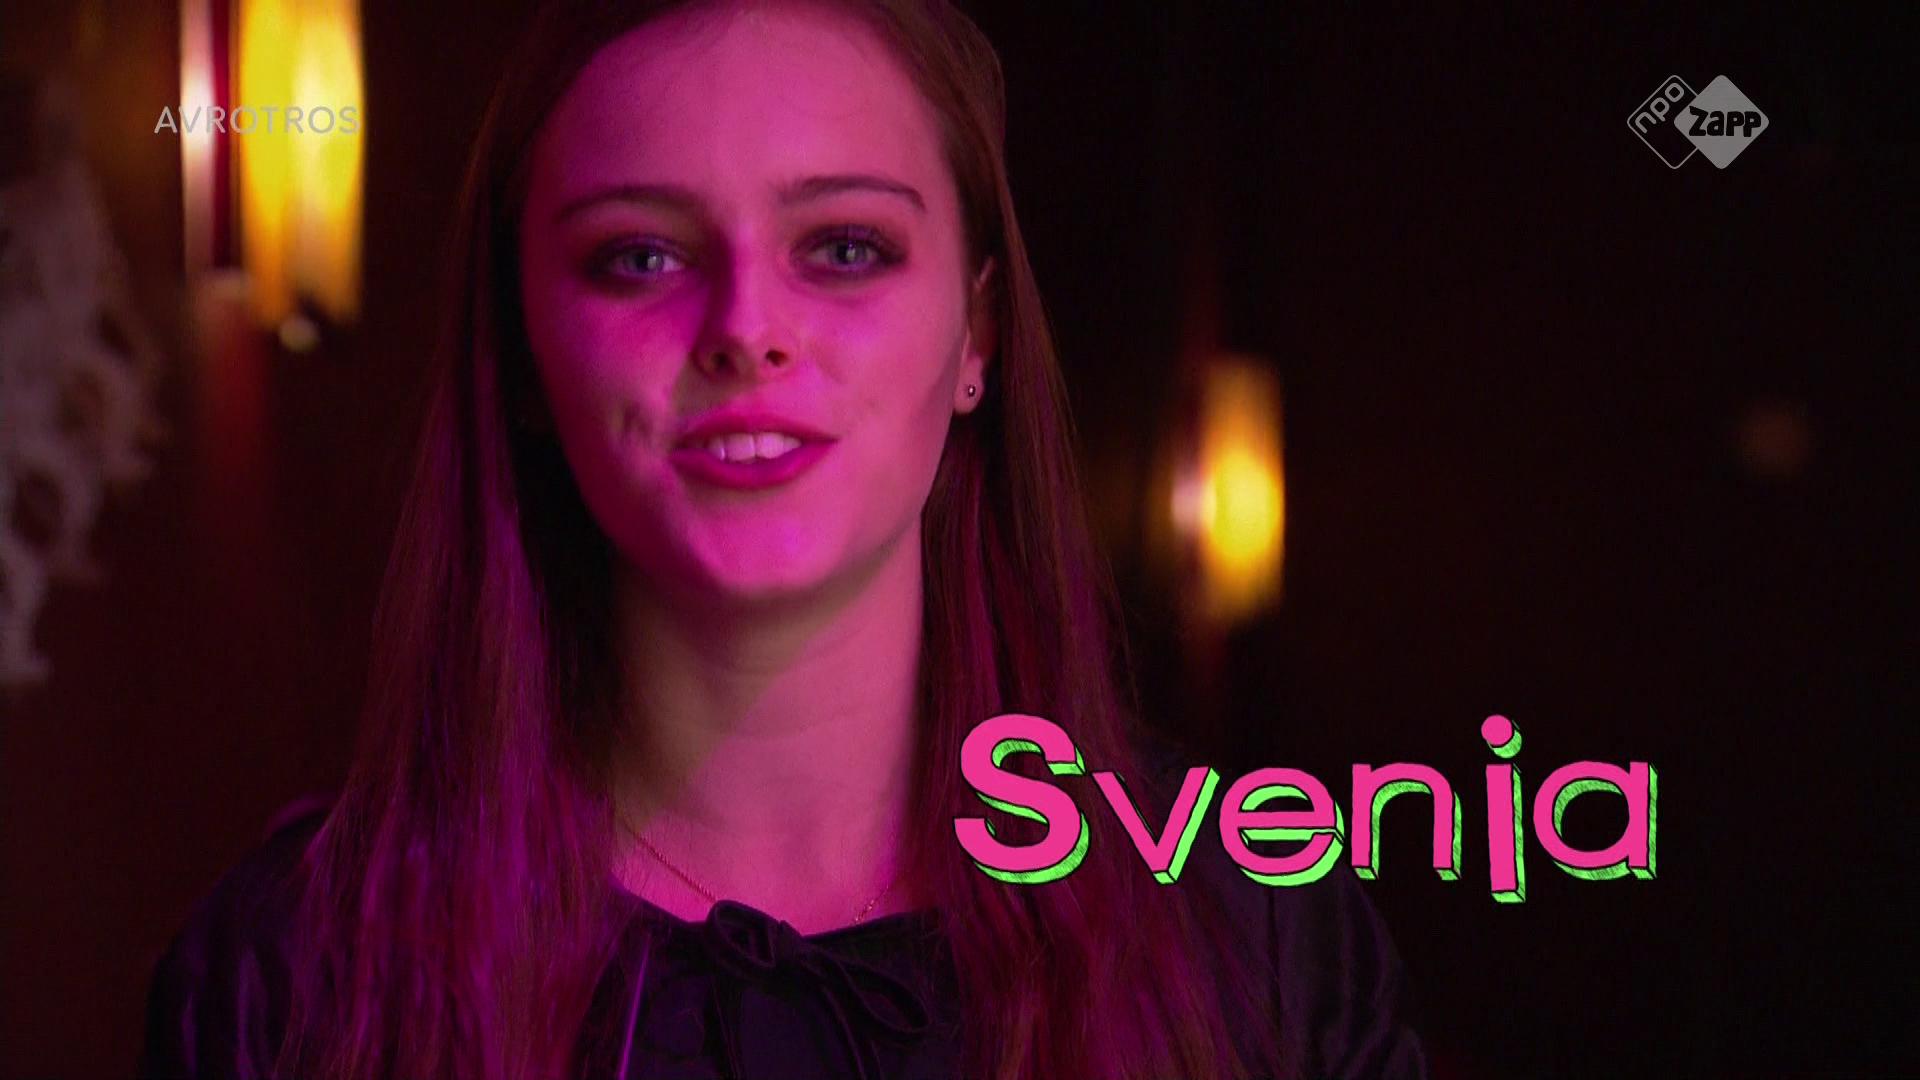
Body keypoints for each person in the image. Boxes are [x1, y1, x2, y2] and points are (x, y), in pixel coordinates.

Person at [139, 2, 1429, 1077]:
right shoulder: (295, 972)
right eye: (640, 257)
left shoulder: (1248, 931)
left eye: (846, 247)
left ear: (977, 333)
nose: (747, 329)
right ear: (524, 353)